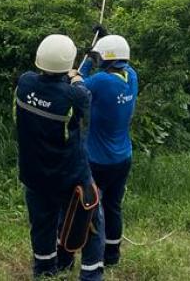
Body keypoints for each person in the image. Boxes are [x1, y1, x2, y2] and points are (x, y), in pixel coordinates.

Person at [15, 34, 105, 280]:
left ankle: (45, 270)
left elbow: (58, 82)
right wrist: (79, 74)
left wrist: (78, 68)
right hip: (69, 175)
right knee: (91, 220)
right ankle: (91, 275)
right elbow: (80, 91)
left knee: (42, 224)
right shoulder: (74, 95)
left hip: (34, 174)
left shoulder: (25, 83)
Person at [78, 32, 139, 267]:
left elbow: (75, 83)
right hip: (123, 156)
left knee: (92, 207)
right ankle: (112, 255)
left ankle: (92, 256)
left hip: (98, 159)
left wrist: (87, 58)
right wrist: (102, 48)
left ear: (105, 59)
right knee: (113, 205)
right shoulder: (132, 76)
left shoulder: (102, 81)